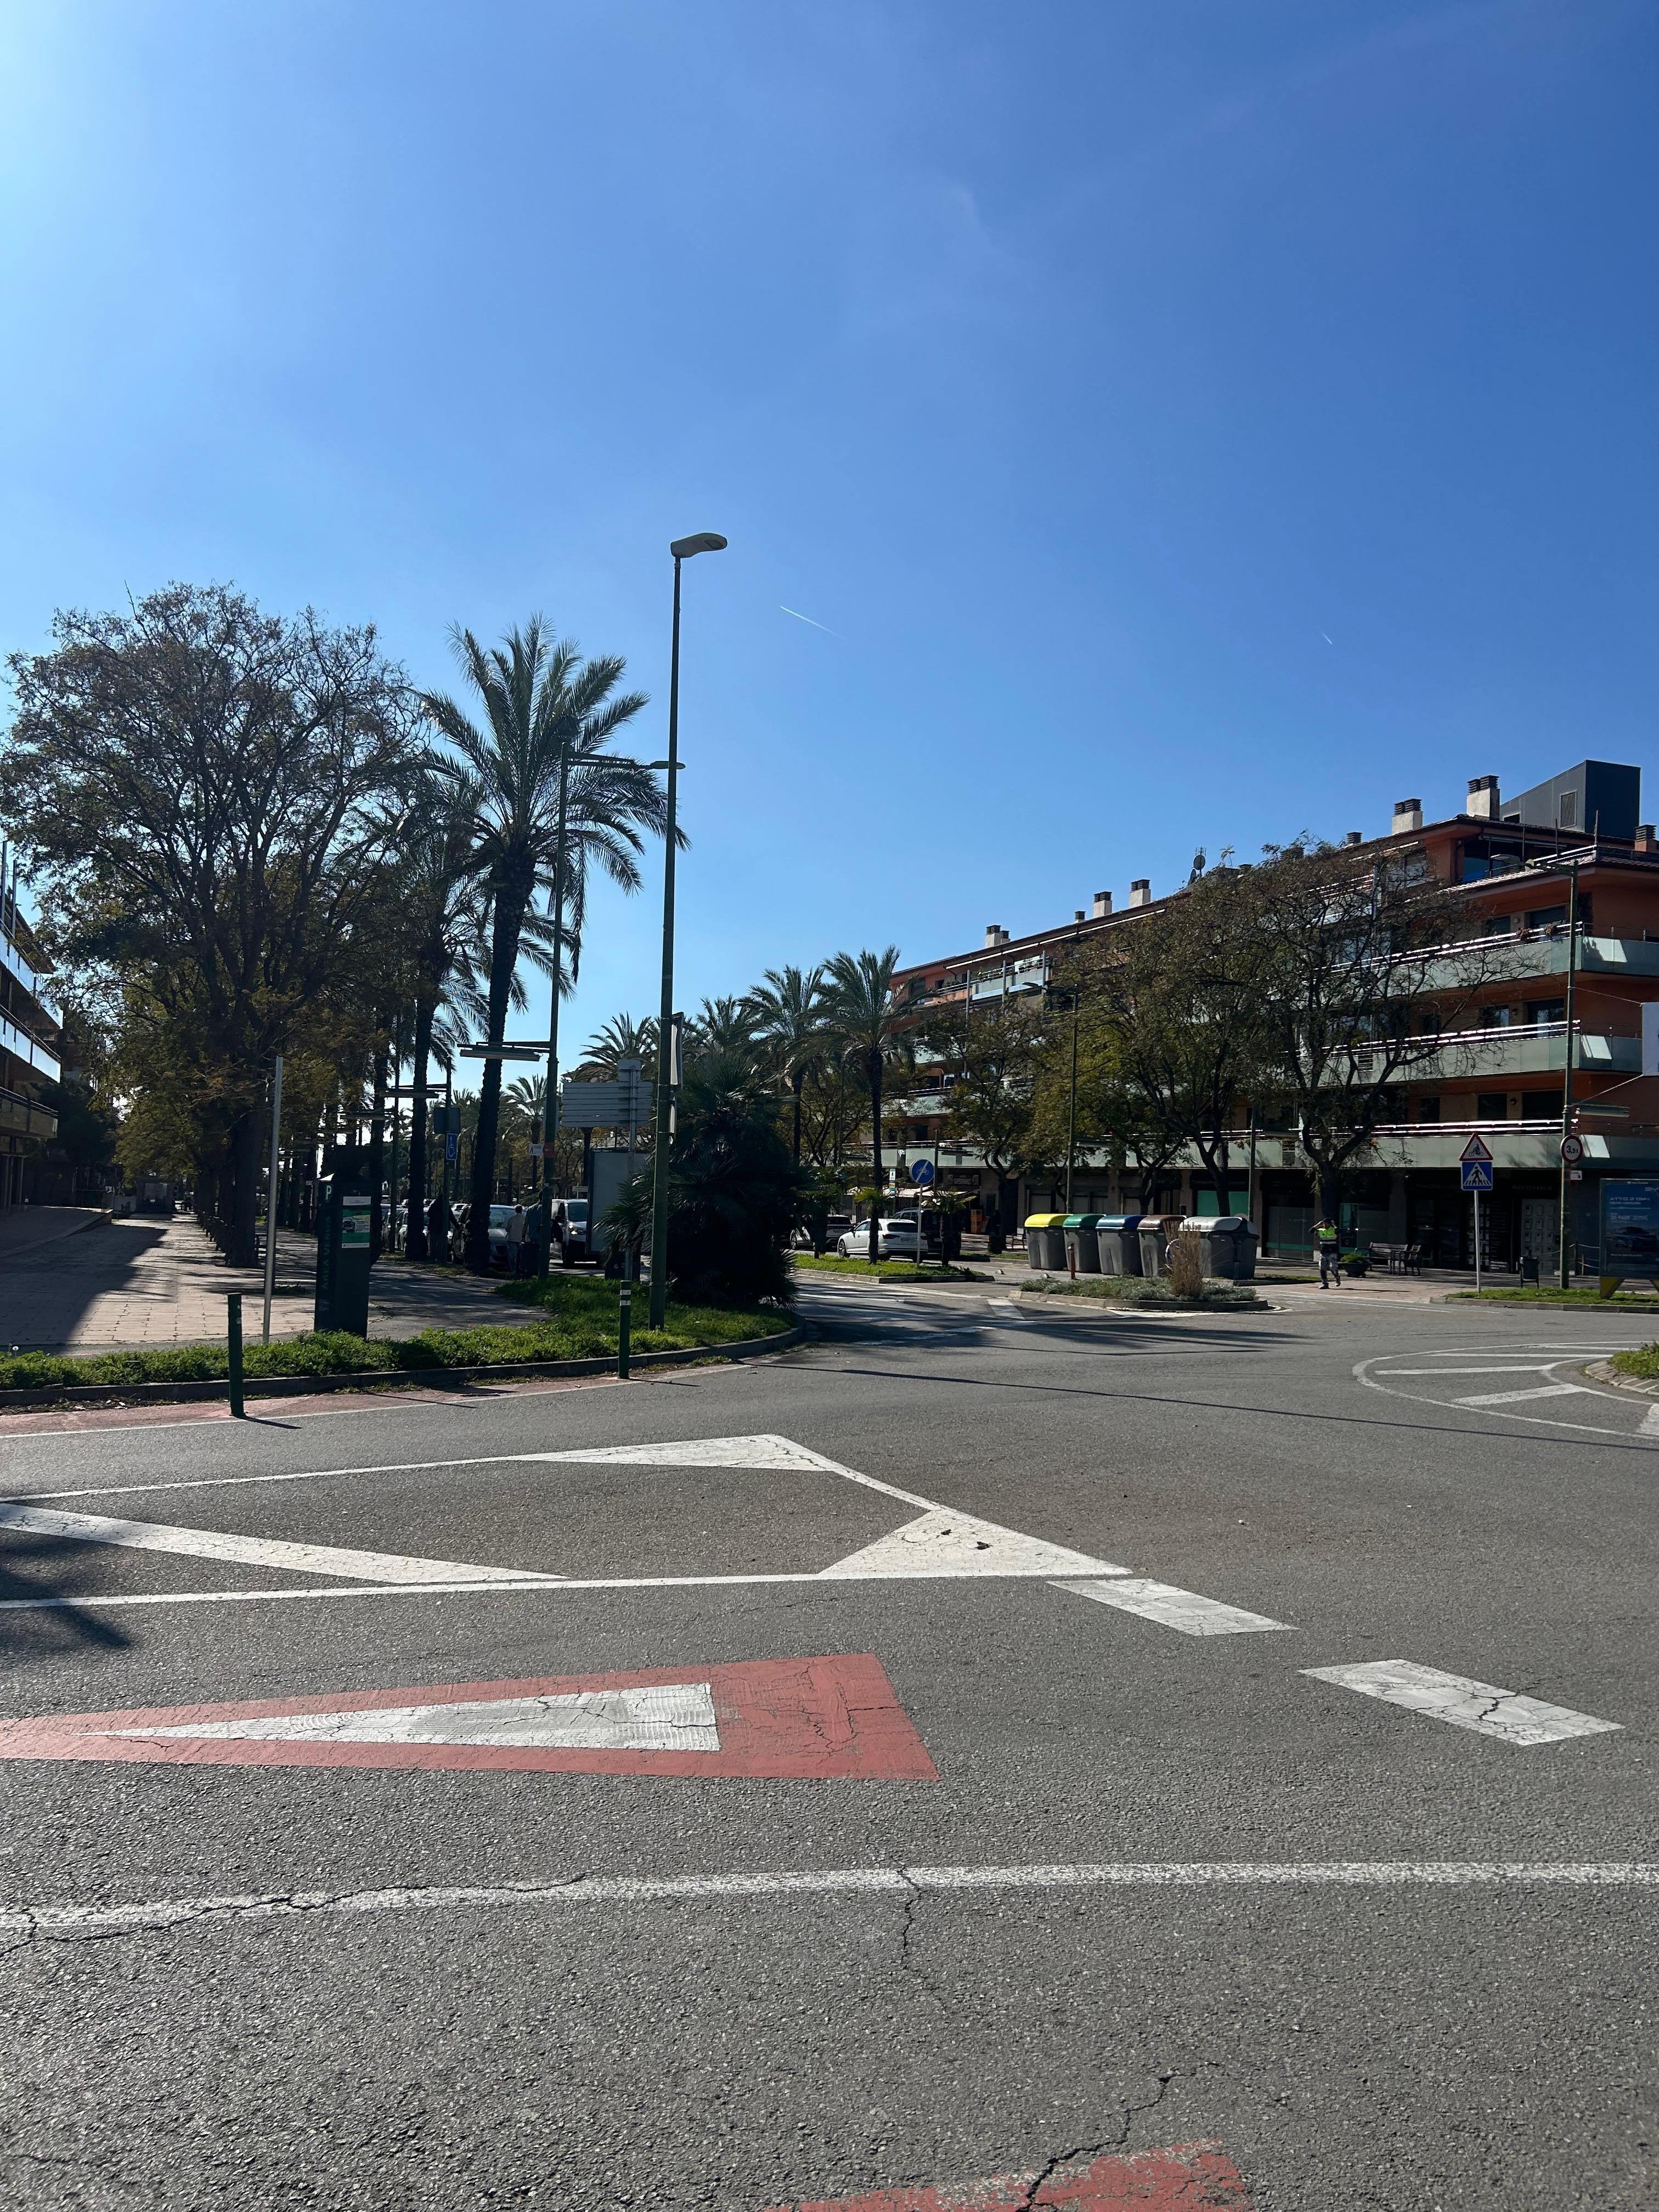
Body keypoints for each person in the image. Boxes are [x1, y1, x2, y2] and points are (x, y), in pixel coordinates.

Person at [1315, 1215, 1342, 1288]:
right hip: (1324, 1252)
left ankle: (1337, 1278)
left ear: (1330, 1224)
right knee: (1322, 1267)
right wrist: (1318, 1225)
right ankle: (1325, 1283)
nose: (1325, 1225)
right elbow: (1311, 1231)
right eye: (1324, 1223)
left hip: (1332, 1252)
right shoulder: (1321, 1230)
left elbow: (1339, 1232)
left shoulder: (1333, 1230)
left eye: (1326, 1223)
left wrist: (1334, 1225)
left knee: (1333, 1267)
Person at [426, 1192, 451, 1264]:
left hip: (434, 1228)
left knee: (434, 1244)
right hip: (442, 1229)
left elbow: (429, 1214)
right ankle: (440, 1257)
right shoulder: (446, 1207)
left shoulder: (434, 1205)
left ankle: (433, 1257)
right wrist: (457, 1226)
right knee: (441, 1244)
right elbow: (451, 1216)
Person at [506, 1202, 528, 1275]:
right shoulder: (524, 1219)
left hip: (512, 1238)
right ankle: (519, 1267)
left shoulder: (512, 1218)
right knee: (520, 1254)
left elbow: (507, 1229)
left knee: (512, 1254)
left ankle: (512, 1267)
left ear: (515, 1210)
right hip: (521, 1239)